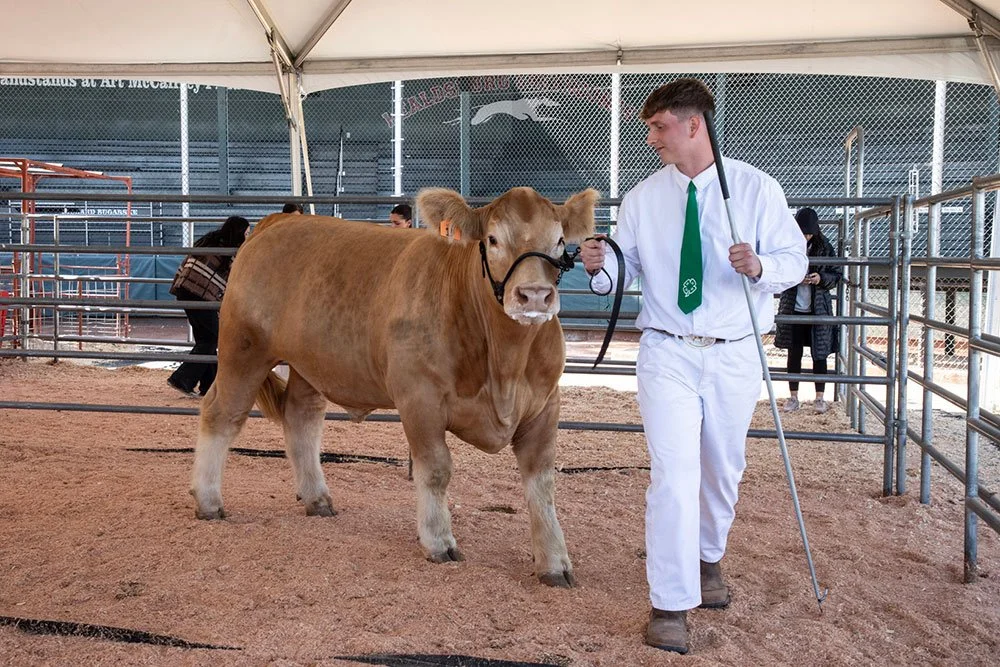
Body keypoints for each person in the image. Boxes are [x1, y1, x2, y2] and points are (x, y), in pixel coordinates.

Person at [579, 78, 807, 655]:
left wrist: (759, 266)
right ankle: (670, 603)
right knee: (673, 476)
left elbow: (794, 260)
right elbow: (617, 278)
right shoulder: (640, 199)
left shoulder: (756, 189)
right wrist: (599, 264)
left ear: (693, 125)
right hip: (667, 349)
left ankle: (708, 558)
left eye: (658, 126)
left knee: (722, 470)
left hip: (735, 350)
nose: (650, 136)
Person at [167, 215, 250, 398]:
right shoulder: (230, 253)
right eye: (246, 232)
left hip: (185, 290)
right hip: (200, 295)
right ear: (238, 232)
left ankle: (209, 386)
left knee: (206, 339)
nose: (247, 235)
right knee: (212, 338)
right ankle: (182, 378)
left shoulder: (210, 241)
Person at [775, 207, 841, 414]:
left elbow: (836, 274)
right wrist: (794, 277)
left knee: (819, 354)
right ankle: (793, 397)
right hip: (793, 308)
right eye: (803, 232)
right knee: (794, 353)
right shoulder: (785, 245)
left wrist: (820, 279)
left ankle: (819, 398)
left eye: (809, 233)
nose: (805, 236)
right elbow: (778, 271)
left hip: (817, 309)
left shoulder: (824, 246)